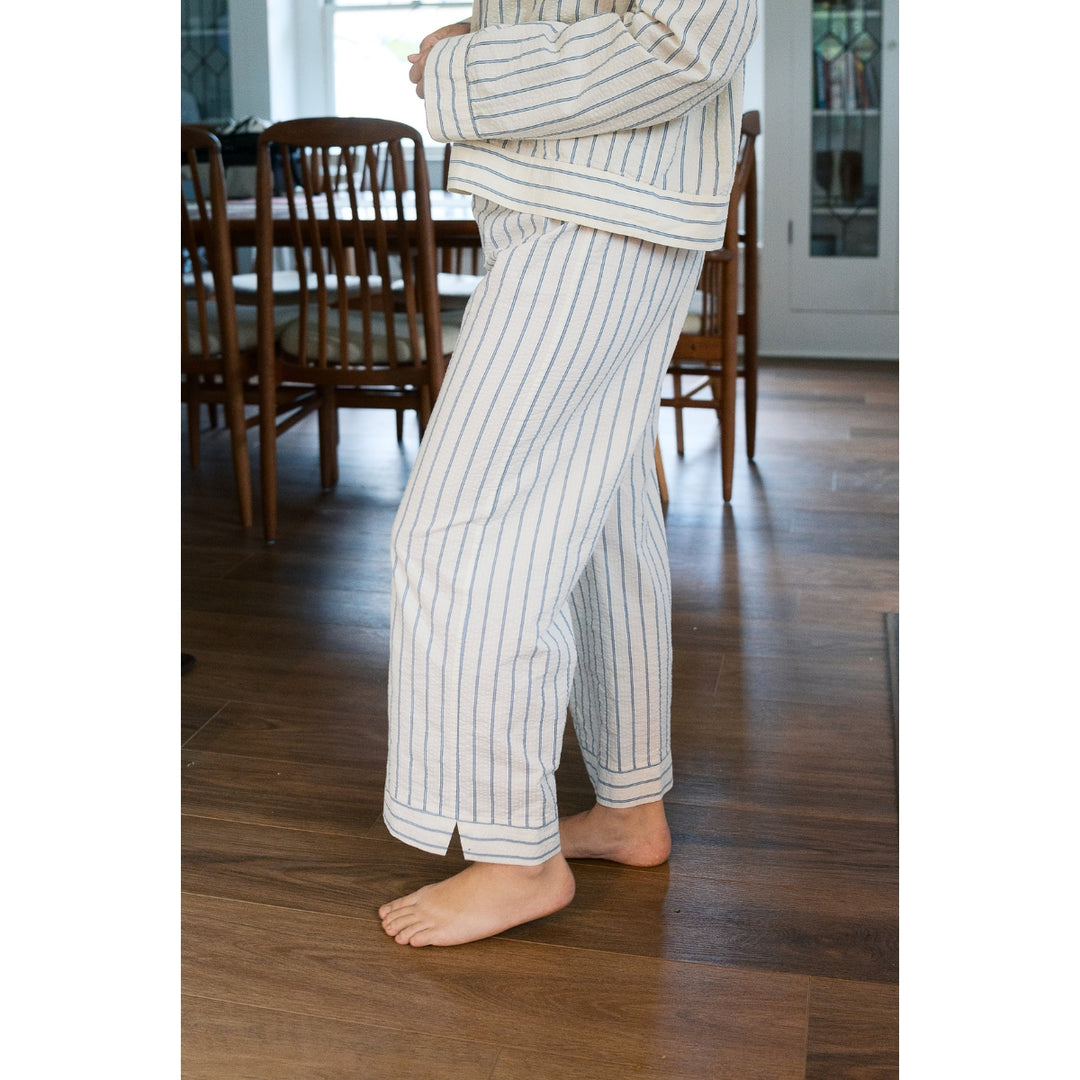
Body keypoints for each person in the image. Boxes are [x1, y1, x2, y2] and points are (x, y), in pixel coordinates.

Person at [379, 0, 758, 947]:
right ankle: (631, 808)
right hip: (569, 193)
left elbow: (684, 41)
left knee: (459, 533)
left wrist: (468, 67)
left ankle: (516, 855)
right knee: (596, 524)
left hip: (599, 205)